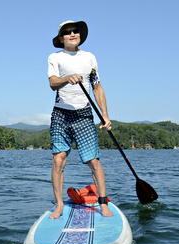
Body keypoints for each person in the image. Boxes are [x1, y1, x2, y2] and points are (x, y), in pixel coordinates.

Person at [48, 20, 113, 219]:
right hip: (61, 113)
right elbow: (52, 83)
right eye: (68, 32)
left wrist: (105, 115)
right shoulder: (55, 57)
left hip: (84, 115)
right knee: (59, 160)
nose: (72, 34)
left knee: (94, 161)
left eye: (75, 31)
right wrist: (67, 78)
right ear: (61, 38)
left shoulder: (89, 58)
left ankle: (103, 204)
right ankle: (59, 205)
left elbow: (97, 86)